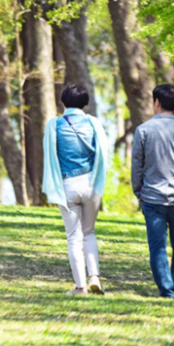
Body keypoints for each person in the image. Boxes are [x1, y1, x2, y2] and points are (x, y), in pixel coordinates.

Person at [130, 84, 174, 299]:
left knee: (158, 247)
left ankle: (167, 290)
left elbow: (137, 164)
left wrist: (138, 191)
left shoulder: (143, 130)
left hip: (153, 198)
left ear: (157, 102)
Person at [42, 83, 112, 296]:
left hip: (67, 185)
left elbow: (49, 154)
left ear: (63, 102)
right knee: (89, 233)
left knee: (74, 236)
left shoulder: (54, 124)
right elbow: (104, 151)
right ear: (85, 103)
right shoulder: (94, 123)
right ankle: (95, 278)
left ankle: (80, 287)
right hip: (92, 184)